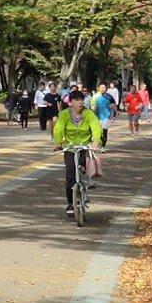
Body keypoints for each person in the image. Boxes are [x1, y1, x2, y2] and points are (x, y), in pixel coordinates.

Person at [52, 89, 102, 219]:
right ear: (71, 102)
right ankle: (70, 204)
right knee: (70, 176)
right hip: (70, 148)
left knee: (82, 166)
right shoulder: (64, 114)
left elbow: (96, 128)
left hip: (84, 147)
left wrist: (95, 142)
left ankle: (85, 182)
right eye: (76, 100)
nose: (80, 102)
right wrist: (58, 142)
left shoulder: (88, 114)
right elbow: (58, 129)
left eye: (81, 99)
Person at [91, 84, 116, 149]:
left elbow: (113, 105)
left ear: (106, 88)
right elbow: (92, 106)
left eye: (104, 87)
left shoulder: (109, 96)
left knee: (104, 132)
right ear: (98, 88)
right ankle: (100, 142)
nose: (102, 89)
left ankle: (103, 146)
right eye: (101, 87)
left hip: (106, 117)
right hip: (96, 117)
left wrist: (114, 114)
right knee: (98, 132)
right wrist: (94, 109)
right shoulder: (95, 96)